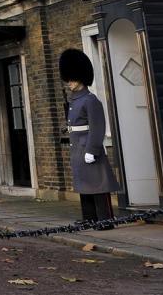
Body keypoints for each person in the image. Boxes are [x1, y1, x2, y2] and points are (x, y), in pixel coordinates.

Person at [60, 48, 120, 225]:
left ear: (81, 78)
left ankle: (105, 219)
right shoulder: (75, 100)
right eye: (68, 78)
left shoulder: (90, 100)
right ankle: (90, 218)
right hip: (78, 147)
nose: (69, 82)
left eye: (72, 79)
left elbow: (97, 127)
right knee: (84, 184)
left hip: (88, 146)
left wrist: (92, 149)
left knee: (99, 185)